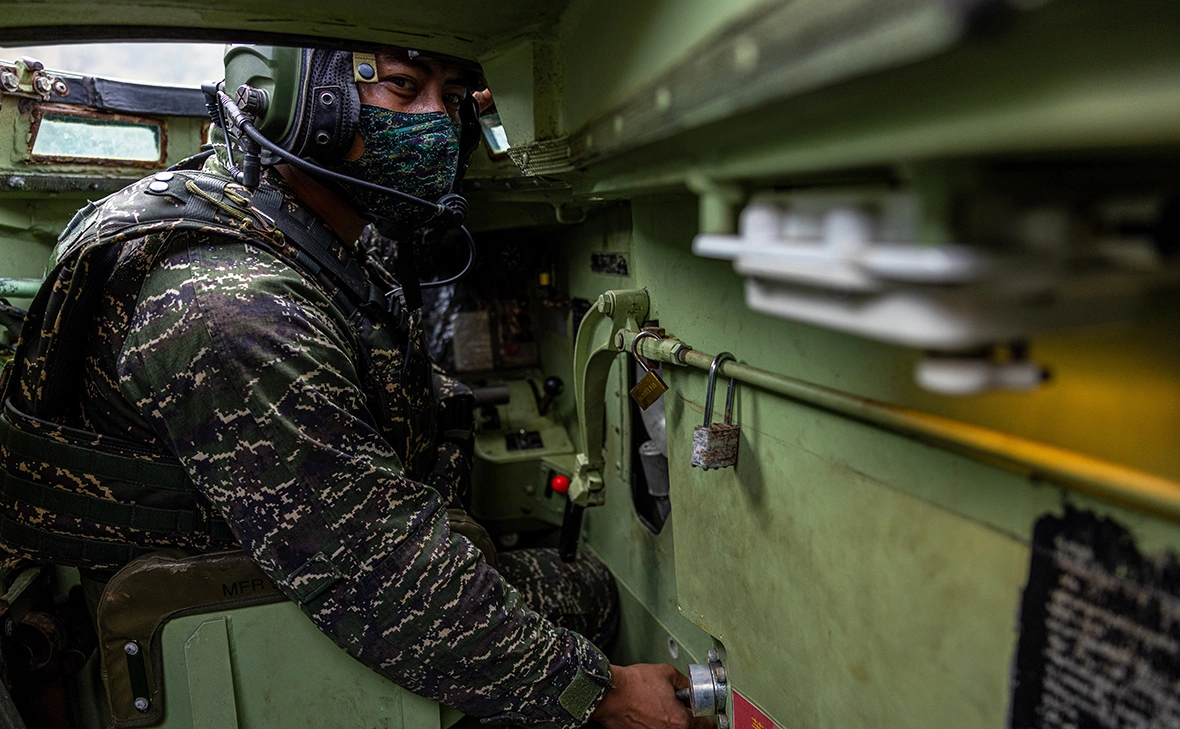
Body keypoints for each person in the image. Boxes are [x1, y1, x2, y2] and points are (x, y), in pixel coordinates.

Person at [0, 45, 711, 729]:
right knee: (591, 598)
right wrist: (599, 692)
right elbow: (385, 574)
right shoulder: (233, 309)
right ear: (304, 102)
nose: (438, 123)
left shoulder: (302, 224)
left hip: (292, 566)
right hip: (226, 610)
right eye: (405, 87)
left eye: (455, 98)